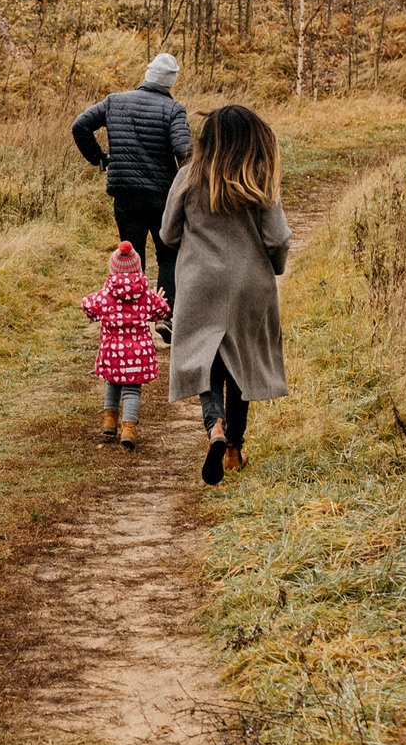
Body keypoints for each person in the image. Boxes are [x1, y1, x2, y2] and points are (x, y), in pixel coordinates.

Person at [160, 104, 290, 486]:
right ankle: (234, 449)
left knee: (207, 360)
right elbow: (278, 238)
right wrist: (275, 267)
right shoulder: (259, 181)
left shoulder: (187, 177)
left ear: (208, 138)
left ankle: (214, 427)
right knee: (242, 362)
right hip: (250, 284)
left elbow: (168, 234)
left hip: (201, 283)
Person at [71, 52, 191, 321]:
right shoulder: (173, 110)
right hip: (162, 197)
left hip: (125, 195)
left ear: (148, 75)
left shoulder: (115, 101)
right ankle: (165, 316)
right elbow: (185, 153)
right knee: (168, 256)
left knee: (131, 256)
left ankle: (133, 319)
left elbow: (80, 126)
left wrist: (101, 160)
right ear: (170, 82)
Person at [81, 241, 168, 450]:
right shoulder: (146, 296)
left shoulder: (105, 295)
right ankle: (128, 429)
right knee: (132, 390)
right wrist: (158, 298)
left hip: (112, 351)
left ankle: (109, 422)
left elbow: (87, 306)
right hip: (137, 353)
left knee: (112, 381)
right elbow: (163, 311)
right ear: (138, 268)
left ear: (113, 269)